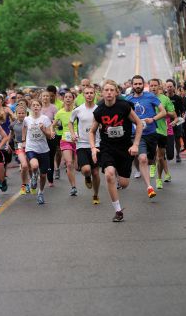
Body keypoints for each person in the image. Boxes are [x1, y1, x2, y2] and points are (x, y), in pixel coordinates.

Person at [90, 80, 143, 222]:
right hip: (107, 147)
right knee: (109, 174)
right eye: (106, 90)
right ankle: (118, 211)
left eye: (111, 90)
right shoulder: (99, 110)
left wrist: (136, 144)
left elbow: (139, 124)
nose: (108, 93)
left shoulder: (124, 106)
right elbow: (92, 131)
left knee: (124, 184)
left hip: (124, 147)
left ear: (116, 92)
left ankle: (120, 174)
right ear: (102, 93)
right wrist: (93, 148)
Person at [126, 75, 166, 198]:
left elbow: (163, 112)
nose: (138, 86)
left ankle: (151, 163)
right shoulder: (128, 100)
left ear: (143, 84)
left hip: (151, 133)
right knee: (142, 158)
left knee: (150, 159)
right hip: (137, 135)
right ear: (132, 85)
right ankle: (149, 187)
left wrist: (152, 119)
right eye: (135, 84)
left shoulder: (150, 96)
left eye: (140, 84)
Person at [69, 85, 101, 204]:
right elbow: (70, 122)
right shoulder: (78, 110)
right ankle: (87, 177)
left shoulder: (99, 109)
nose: (89, 95)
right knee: (87, 169)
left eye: (91, 93)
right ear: (83, 95)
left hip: (97, 144)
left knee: (96, 172)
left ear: (95, 94)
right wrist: (73, 134)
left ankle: (96, 195)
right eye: (87, 93)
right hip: (82, 144)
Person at [22, 99, 52, 204]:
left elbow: (50, 135)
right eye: (33, 105)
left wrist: (43, 129)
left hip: (43, 149)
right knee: (34, 166)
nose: (35, 107)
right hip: (31, 148)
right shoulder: (27, 119)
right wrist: (24, 140)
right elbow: (24, 129)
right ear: (31, 107)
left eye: (37, 105)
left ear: (40, 107)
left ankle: (40, 192)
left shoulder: (45, 119)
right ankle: (34, 176)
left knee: (43, 175)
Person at [148, 79, 176, 189]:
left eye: (155, 85)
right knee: (153, 153)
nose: (153, 87)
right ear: (149, 87)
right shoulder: (146, 98)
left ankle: (159, 178)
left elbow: (173, 114)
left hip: (162, 130)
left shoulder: (165, 99)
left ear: (159, 86)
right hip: (150, 130)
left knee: (160, 157)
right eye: (151, 85)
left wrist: (162, 112)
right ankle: (152, 164)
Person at [53, 91, 78, 196]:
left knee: (78, 167)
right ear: (63, 99)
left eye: (70, 97)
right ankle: (73, 187)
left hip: (78, 140)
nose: (68, 99)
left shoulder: (78, 111)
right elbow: (53, 124)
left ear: (73, 99)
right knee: (68, 163)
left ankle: (87, 176)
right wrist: (51, 131)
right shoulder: (60, 112)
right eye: (66, 97)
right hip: (65, 139)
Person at [10, 104, 30, 195]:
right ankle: (23, 185)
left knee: (30, 167)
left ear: (26, 113)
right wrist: (7, 144)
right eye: (19, 113)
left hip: (30, 145)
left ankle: (30, 181)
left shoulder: (30, 122)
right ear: (16, 114)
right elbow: (11, 134)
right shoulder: (13, 124)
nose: (21, 115)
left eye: (23, 113)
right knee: (24, 165)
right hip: (19, 145)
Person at [40, 90, 58, 186]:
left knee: (50, 156)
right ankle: (41, 173)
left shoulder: (53, 108)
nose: (46, 98)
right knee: (41, 156)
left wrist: (52, 126)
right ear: (41, 97)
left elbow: (57, 120)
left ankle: (50, 179)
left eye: (47, 96)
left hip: (51, 135)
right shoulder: (38, 107)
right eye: (44, 96)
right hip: (40, 136)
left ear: (50, 97)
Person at [46, 85, 63, 179]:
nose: (50, 98)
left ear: (55, 94)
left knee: (58, 151)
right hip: (48, 132)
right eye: (48, 96)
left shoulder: (60, 104)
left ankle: (57, 167)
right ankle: (54, 168)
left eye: (52, 96)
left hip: (59, 131)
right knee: (51, 152)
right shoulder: (44, 104)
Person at [166, 79, 185, 162]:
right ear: (165, 87)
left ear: (174, 87)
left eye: (171, 86)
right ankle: (168, 153)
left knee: (177, 139)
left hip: (177, 121)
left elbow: (182, 111)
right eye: (168, 87)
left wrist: (182, 118)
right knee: (167, 139)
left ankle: (178, 154)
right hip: (166, 121)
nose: (169, 88)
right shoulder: (163, 98)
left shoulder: (178, 98)